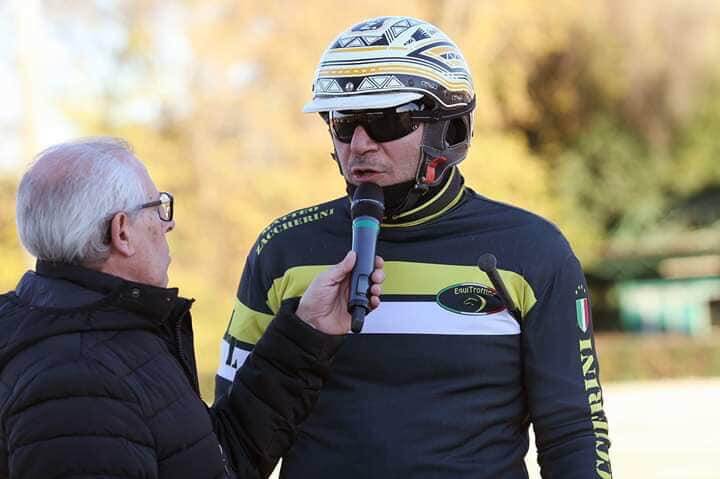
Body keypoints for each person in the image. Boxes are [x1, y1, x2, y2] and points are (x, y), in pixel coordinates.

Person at [215, 16, 612, 479]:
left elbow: (573, 433)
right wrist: (305, 334)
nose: (359, 145)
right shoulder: (282, 250)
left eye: (386, 121)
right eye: (342, 123)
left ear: (449, 128)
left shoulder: (534, 250)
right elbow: (229, 443)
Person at [0, 137, 385, 479]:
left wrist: (309, 328)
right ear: (122, 232)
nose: (167, 225)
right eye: (157, 207)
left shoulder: (110, 335)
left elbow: (217, 458)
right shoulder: (78, 386)